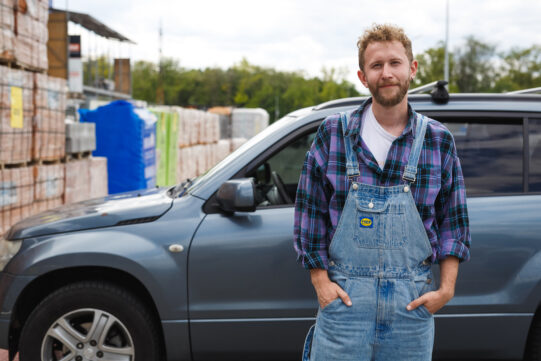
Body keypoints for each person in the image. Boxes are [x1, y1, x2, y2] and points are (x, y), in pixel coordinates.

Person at [293, 24, 471, 361]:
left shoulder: (437, 139)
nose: (386, 73)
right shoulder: (334, 133)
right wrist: (320, 282)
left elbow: (454, 222)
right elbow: (309, 212)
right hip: (344, 304)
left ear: (412, 69)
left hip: (410, 307)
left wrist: (446, 289)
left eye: (395, 63)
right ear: (363, 76)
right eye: (376, 66)